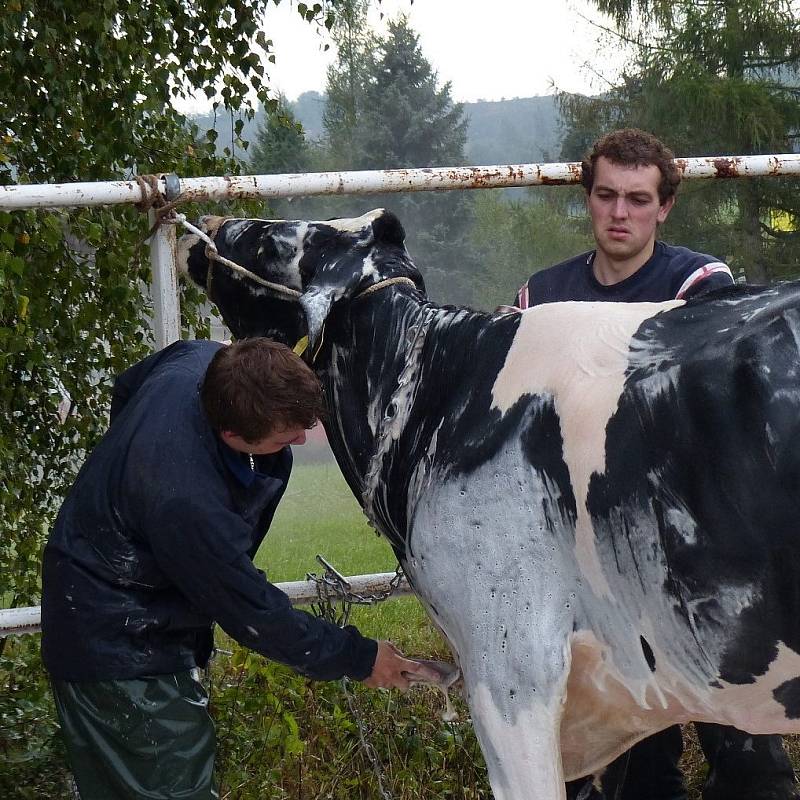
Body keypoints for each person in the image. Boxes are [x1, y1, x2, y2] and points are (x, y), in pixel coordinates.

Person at [514, 128, 799, 800]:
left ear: (664, 207)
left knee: (750, 760)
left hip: (702, 560)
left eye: (638, 200)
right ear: (587, 198)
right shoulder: (540, 299)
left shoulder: (702, 285)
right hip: (589, 564)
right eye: (607, 195)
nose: (620, 213)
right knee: (635, 767)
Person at [41, 337, 436, 800]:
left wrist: (131, 483)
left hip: (113, 601)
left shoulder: (202, 360)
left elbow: (126, 389)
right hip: (121, 648)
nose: (303, 439)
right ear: (231, 434)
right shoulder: (187, 505)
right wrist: (361, 658)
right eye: (286, 435)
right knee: (173, 787)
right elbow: (254, 614)